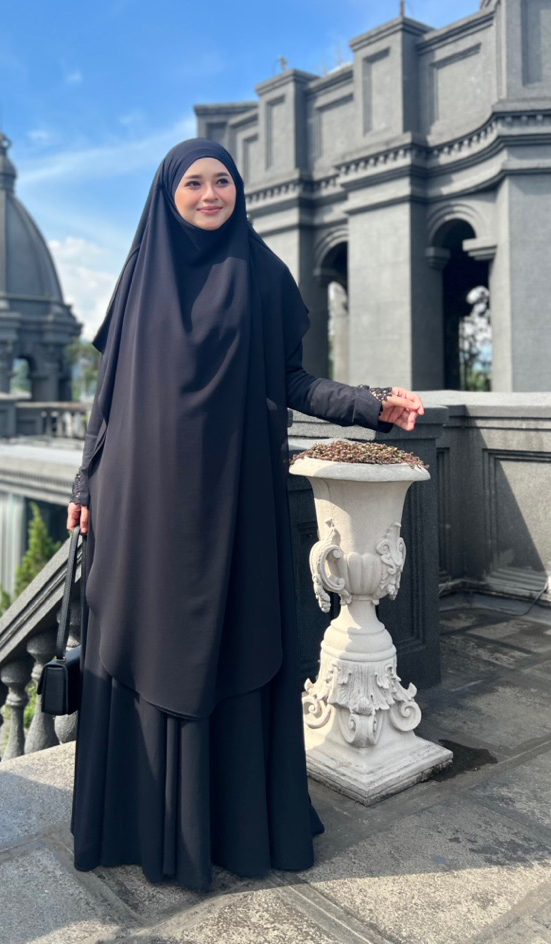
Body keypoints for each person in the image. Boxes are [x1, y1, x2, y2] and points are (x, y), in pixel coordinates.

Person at [66, 138, 423, 890]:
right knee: (143, 642)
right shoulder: (139, 278)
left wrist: (369, 405)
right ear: (167, 195)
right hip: (138, 507)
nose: (209, 194)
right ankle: (139, 822)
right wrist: (85, 486)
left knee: (231, 646)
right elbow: (108, 400)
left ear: (238, 190)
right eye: (193, 183)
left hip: (232, 501)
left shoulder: (262, 275)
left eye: (221, 181)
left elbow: (293, 381)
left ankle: (229, 827)